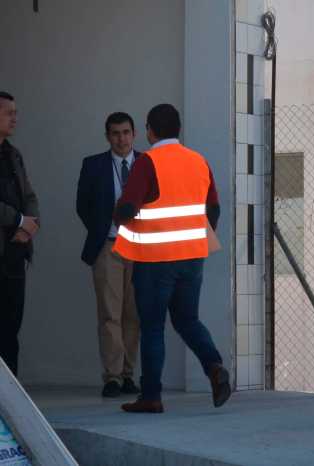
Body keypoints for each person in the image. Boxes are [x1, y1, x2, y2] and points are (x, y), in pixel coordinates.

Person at [113, 103, 230, 413]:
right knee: (187, 320)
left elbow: (128, 208)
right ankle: (214, 367)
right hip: (192, 258)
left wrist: (118, 217)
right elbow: (214, 209)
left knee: (153, 327)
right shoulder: (198, 161)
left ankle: (151, 396)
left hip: (155, 260)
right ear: (178, 129)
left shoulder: (147, 162)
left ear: (149, 130)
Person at [76, 112, 141, 397]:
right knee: (109, 314)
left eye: (126, 132)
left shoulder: (147, 163)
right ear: (107, 136)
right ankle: (112, 377)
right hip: (108, 247)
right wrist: (102, 229)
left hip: (140, 248)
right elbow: (82, 205)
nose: (121, 139)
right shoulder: (93, 165)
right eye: (115, 133)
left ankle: (128, 375)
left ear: (134, 134)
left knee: (134, 314)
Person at [0, 91, 40, 377]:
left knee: (11, 326)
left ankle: (9, 393)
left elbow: (30, 195)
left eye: (15, 113)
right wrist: (17, 221)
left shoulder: (13, 154)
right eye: (8, 113)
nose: (15, 118)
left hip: (15, 255)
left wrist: (29, 224)